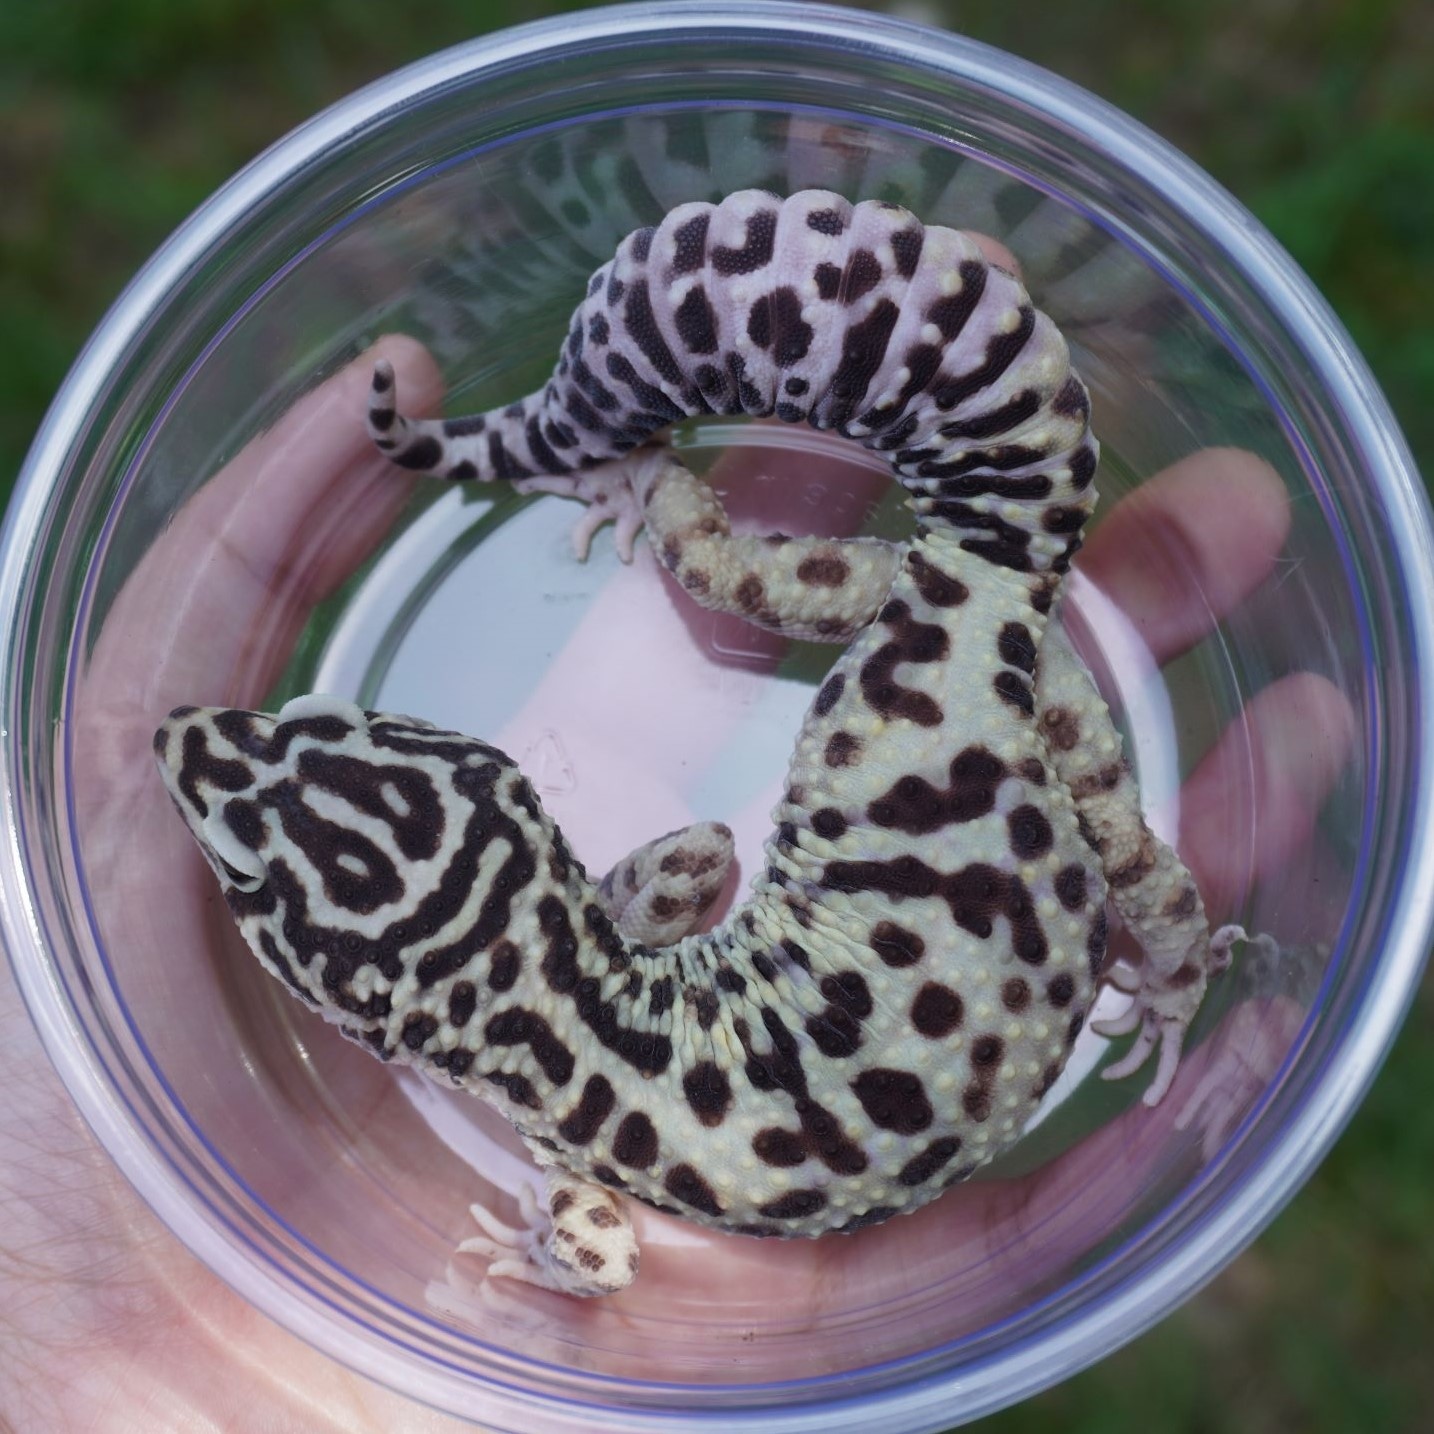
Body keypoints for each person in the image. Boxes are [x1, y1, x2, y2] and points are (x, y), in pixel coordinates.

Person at [1, 331, 1353, 1429]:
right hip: (946, 804)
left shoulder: (575, 1131)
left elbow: (595, 1247)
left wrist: (541, 1260)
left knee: (1127, 859)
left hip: (1016, 908)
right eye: (256, 838)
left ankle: (1169, 955)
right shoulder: (589, 981)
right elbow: (699, 861)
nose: (213, 751)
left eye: (310, 730)